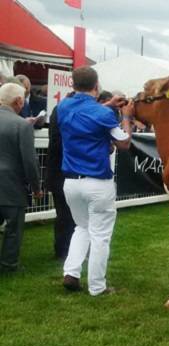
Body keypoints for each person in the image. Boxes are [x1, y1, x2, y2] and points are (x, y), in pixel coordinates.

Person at [57, 66, 134, 295]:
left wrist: (109, 105)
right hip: (97, 182)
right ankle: (97, 286)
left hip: (71, 182)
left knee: (81, 227)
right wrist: (127, 117)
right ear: (97, 86)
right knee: (100, 235)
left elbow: (84, 111)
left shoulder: (63, 106)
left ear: (73, 84)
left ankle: (71, 272)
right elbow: (124, 143)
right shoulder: (103, 114)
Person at [0, 83, 43, 273]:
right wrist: (36, 187)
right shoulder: (21, 125)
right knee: (13, 228)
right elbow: (29, 161)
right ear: (18, 101)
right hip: (12, 184)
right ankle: (9, 265)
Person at [45, 92, 76, 263]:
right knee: (66, 215)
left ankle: (64, 249)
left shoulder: (58, 110)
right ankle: (63, 250)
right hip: (63, 171)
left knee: (64, 214)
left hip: (57, 171)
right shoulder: (64, 112)